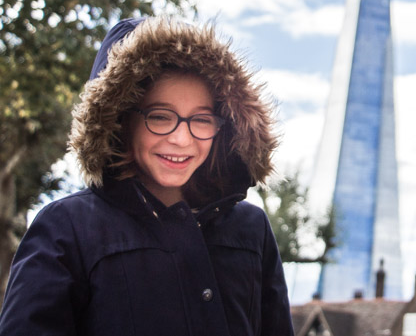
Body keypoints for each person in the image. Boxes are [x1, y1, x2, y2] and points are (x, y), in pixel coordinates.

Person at [0, 17, 295, 336]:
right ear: (119, 119)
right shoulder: (66, 228)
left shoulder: (251, 229)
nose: (183, 139)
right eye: (160, 116)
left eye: (202, 119)